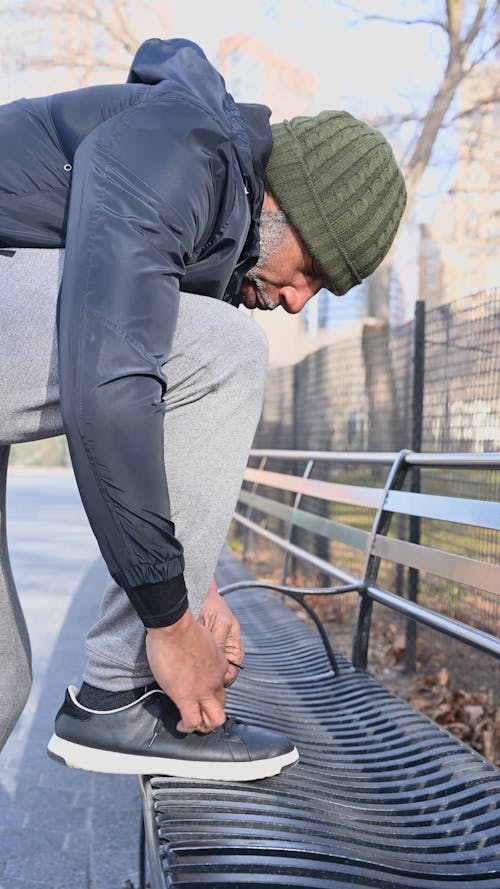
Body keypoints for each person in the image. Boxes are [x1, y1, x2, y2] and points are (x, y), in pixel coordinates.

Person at [0, 38, 407, 781]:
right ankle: (118, 694)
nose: (294, 300)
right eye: (310, 272)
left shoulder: (206, 223)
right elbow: (110, 376)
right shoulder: (183, 150)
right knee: (227, 347)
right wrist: (170, 620)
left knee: (1, 683)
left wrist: (200, 585)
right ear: (281, 202)